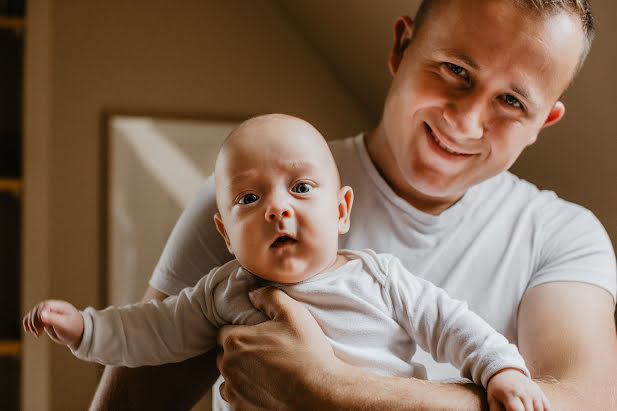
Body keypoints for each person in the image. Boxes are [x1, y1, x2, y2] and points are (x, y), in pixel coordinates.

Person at [89, 0, 617, 410]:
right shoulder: (249, 201)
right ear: (401, 46)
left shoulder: (563, 238)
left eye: (512, 101)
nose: (466, 120)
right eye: (456, 69)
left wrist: (332, 390)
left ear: (543, 121)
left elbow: (578, 405)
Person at [23, 114, 550, 410]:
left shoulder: (377, 277)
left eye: (301, 188)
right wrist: (84, 327)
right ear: (225, 234)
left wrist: (499, 369)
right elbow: (152, 332)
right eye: (249, 199)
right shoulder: (220, 292)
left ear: (341, 210)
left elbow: (451, 323)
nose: (278, 207)